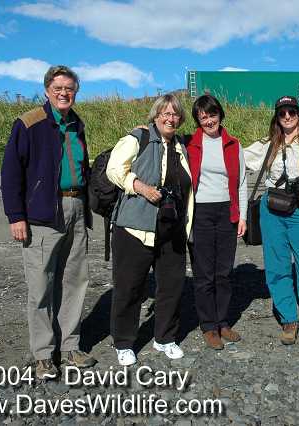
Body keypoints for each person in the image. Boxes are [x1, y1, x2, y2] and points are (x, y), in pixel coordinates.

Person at [1, 65, 96, 380]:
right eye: (58, 88)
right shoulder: (29, 123)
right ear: (46, 90)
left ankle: (70, 347)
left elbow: (83, 166)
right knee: (40, 286)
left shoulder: (76, 123)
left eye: (69, 88)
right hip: (42, 212)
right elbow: (11, 173)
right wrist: (16, 216)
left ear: (75, 91)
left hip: (77, 208)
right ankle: (43, 354)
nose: (64, 93)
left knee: (75, 280)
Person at [106, 94, 193, 364]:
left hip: (172, 227)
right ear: (155, 116)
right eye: (165, 113)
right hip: (134, 227)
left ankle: (164, 337)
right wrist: (140, 187)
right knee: (130, 287)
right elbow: (113, 169)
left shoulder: (180, 145)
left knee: (171, 285)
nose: (170, 118)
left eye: (175, 114)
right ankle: (123, 342)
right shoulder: (137, 138)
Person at [244, 96, 299, 353]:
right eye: (283, 113)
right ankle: (289, 320)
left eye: (292, 111)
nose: (288, 116)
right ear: (277, 117)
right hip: (272, 208)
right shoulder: (267, 144)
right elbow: (234, 155)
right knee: (277, 267)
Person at [186, 95, 248, 350]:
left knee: (223, 273)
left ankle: (223, 322)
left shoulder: (234, 144)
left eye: (212, 115)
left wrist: (242, 216)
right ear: (198, 120)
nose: (209, 120)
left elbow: (242, 182)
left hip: (226, 212)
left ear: (220, 115)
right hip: (199, 212)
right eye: (203, 117)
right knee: (204, 274)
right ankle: (208, 326)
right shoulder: (189, 144)